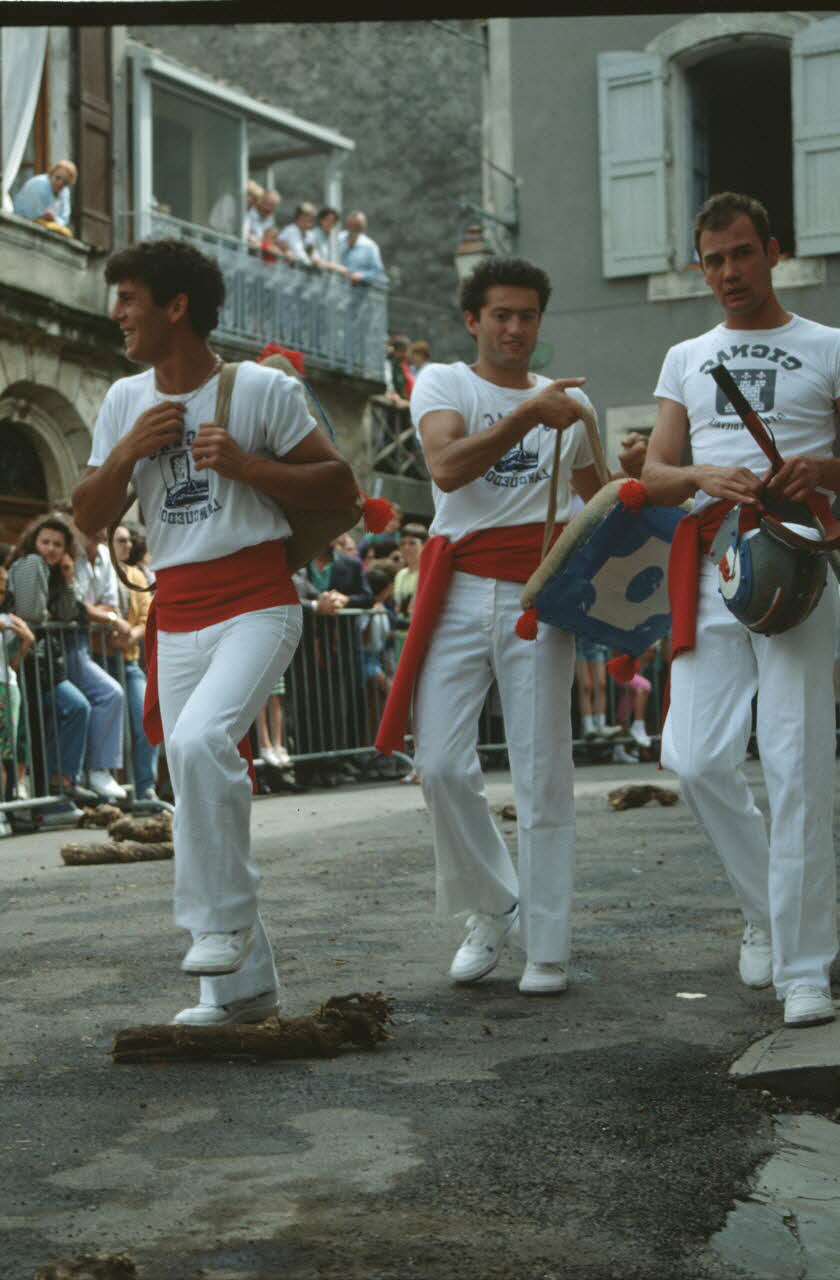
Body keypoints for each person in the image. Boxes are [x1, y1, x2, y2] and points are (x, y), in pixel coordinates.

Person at [72, 237, 357, 1026]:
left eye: (129, 297)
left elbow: (343, 487)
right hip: (179, 609)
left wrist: (249, 467)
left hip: (259, 599)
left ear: (177, 306)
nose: (116, 313)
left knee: (201, 746)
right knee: (190, 774)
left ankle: (221, 922)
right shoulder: (124, 400)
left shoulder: (261, 388)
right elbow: (88, 518)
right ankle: (242, 990)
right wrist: (129, 450)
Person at [376, 256, 617, 996]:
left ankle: (548, 944)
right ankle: (494, 902)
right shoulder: (447, 382)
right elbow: (447, 469)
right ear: (474, 320)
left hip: (539, 595)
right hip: (455, 589)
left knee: (544, 771)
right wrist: (522, 419)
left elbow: (601, 499)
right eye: (501, 315)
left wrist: (652, 491)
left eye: (528, 316)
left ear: (540, 322)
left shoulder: (571, 407)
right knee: (442, 764)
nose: (515, 328)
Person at [641, 190, 840, 1029]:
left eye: (742, 254)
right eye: (713, 259)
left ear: (773, 252)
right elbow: (654, 471)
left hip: (798, 567)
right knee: (693, 756)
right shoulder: (687, 354)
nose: (728, 272)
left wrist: (818, 469)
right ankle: (767, 907)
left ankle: (806, 968)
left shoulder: (828, 346)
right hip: (714, 562)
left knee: (798, 767)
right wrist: (699, 477)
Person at [6, 513, 93, 824]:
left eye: (58, 544)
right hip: (24, 662)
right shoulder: (31, 564)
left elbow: (71, 614)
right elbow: (32, 613)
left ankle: (59, 788)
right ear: (34, 541)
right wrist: (45, 612)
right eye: (46, 542)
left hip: (44, 665)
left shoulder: (56, 573)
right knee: (28, 734)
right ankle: (37, 800)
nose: (51, 549)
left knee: (71, 710)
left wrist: (68, 578)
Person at [71, 526, 130, 801]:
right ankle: (95, 770)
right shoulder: (71, 552)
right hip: (69, 644)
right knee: (108, 693)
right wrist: (104, 617)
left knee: (86, 704)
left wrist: (101, 615)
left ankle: (93, 774)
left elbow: (110, 607)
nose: (101, 528)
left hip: (87, 643)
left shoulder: (105, 555)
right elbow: (76, 607)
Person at [108, 524, 159, 802]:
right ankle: (110, 795)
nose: (127, 545)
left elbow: (145, 619)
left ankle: (144, 788)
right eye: (120, 541)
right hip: (100, 658)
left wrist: (131, 636)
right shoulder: (103, 569)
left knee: (145, 721)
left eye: (128, 540)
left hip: (129, 661)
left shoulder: (136, 574)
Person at [14, 160, 77, 235]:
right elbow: (32, 215)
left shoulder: (65, 191)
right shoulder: (39, 184)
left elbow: (64, 218)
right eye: (58, 178)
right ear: (51, 174)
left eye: (65, 182)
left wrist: (54, 219)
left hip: (44, 233)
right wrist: (46, 217)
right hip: (21, 227)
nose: (60, 182)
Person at [338, 211, 388, 286]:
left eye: (358, 225)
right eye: (352, 224)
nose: (354, 228)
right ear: (348, 225)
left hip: (357, 293)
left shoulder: (370, 246)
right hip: (335, 290)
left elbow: (378, 272)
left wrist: (362, 276)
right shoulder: (338, 239)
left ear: (363, 227)